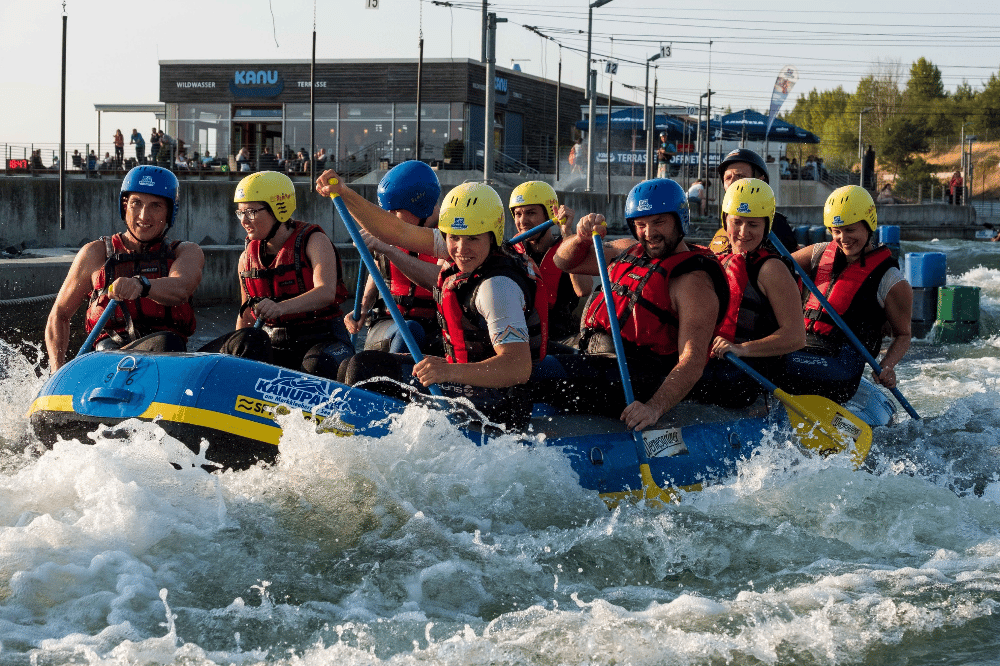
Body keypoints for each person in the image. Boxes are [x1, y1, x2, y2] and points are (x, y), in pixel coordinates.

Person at [317, 172, 546, 430]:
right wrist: (345, 193)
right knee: (351, 365)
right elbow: (397, 231)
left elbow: (517, 367)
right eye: (454, 238)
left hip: (500, 401)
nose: (461, 248)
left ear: (492, 235)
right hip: (469, 381)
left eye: (472, 238)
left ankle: (366, 437)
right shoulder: (466, 247)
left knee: (364, 368)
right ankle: (344, 432)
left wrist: (448, 371)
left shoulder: (497, 288)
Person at [537, 178, 731, 431]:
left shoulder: (694, 282)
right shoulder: (629, 250)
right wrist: (581, 239)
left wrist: (653, 407)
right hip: (592, 353)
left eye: (659, 222)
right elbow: (564, 262)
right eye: (641, 224)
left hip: (630, 376)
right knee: (523, 353)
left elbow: (692, 359)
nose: (649, 233)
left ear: (679, 220)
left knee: (529, 373)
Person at [44, 166, 204, 372]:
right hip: (109, 362)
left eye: (156, 206)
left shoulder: (186, 252)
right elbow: (59, 315)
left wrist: (141, 285)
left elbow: (181, 288)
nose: (144, 216)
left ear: (169, 212)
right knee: (166, 344)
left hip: (169, 363)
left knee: (247, 340)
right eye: (136, 203)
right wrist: (57, 371)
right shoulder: (95, 253)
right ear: (125, 206)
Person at [200, 171, 354, 378]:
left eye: (252, 212)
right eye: (240, 213)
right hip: (277, 342)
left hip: (325, 340)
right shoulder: (246, 258)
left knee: (316, 367)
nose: (244, 220)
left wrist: (279, 308)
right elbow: (245, 316)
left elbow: (325, 292)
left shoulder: (315, 241)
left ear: (278, 209)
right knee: (245, 343)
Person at [783, 185, 913, 403]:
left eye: (850, 230)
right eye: (836, 231)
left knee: (771, 364)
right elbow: (777, 266)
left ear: (868, 225)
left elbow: (903, 334)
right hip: (803, 346)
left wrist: (887, 365)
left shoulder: (892, 280)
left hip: (842, 365)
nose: (843, 238)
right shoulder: (819, 253)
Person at [692, 179, 806, 408]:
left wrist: (740, 349)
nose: (743, 232)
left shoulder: (772, 269)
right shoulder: (718, 260)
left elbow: (796, 336)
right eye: (737, 222)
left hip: (748, 374)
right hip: (716, 364)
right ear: (725, 221)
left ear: (766, 226)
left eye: (753, 225)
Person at [346, 160, 444, 355]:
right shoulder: (390, 231)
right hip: (390, 325)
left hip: (437, 328)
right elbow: (378, 270)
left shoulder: (451, 237)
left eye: (396, 211)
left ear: (421, 206)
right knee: (409, 331)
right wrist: (364, 306)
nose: (389, 217)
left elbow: (439, 279)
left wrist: (390, 250)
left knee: (417, 333)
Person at [508, 180, 592, 346]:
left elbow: (584, 290)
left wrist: (567, 233)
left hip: (562, 339)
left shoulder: (568, 246)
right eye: (518, 214)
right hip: (520, 338)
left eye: (531, 213)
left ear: (549, 215)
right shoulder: (509, 252)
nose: (523, 221)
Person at [714, 148, 798, 252]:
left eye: (740, 176)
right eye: (728, 178)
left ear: (761, 181)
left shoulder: (777, 225)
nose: (732, 183)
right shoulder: (720, 235)